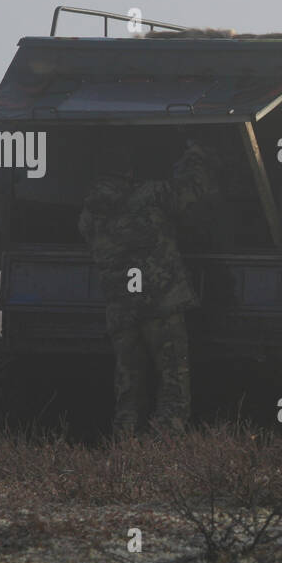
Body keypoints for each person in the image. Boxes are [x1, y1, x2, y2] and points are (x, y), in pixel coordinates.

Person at [78, 136, 220, 436]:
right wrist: (196, 154)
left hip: (120, 307)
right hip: (161, 302)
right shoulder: (152, 193)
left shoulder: (91, 212)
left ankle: (126, 439)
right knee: (173, 377)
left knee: (128, 381)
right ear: (128, 170)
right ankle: (166, 443)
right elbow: (194, 192)